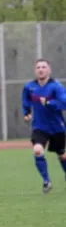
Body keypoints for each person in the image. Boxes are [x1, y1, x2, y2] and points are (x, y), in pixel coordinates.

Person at [22, 58, 66, 194]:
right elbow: (26, 100)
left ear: (49, 70)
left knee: (62, 155)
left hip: (57, 127)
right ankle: (47, 181)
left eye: (43, 67)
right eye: (38, 67)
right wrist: (27, 112)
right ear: (36, 70)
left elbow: (63, 104)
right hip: (40, 127)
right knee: (37, 150)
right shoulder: (30, 87)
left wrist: (48, 103)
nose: (41, 69)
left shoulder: (56, 87)